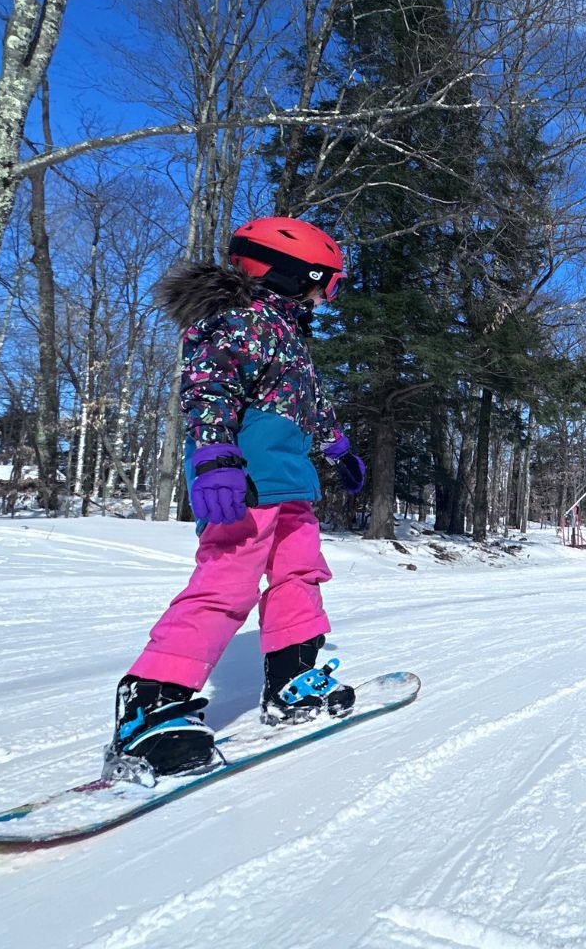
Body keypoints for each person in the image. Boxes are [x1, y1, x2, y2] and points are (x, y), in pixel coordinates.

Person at [107, 216, 366, 781]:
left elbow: (307, 405)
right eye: (328, 282)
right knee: (226, 584)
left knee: (301, 575)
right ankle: (151, 703)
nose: (328, 296)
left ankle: (292, 679)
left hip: (291, 485)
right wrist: (215, 458)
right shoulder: (236, 322)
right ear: (298, 274)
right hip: (244, 484)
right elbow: (207, 390)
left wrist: (338, 447)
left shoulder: (288, 333)